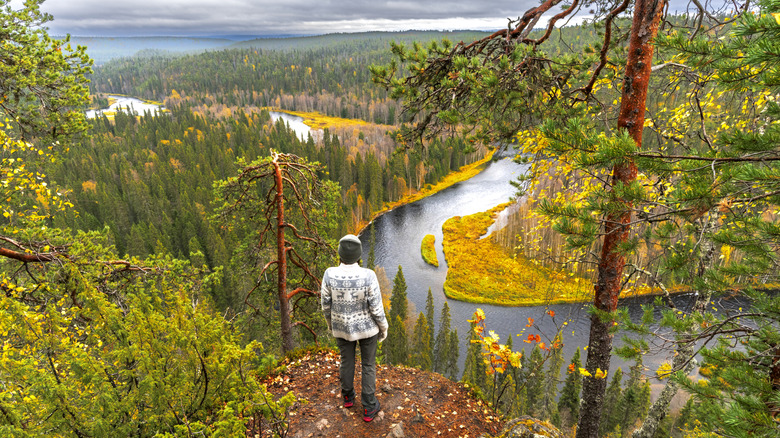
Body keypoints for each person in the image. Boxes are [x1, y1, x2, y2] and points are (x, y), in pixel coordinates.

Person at [321, 234, 388, 422]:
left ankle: (348, 398)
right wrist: (383, 328)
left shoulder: (329, 274)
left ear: (340, 254)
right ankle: (368, 407)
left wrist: (331, 324)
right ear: (359, 255)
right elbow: (376, 308)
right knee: (368, 365)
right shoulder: (368, 275)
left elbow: (325, 305)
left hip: (341, 327)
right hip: (368, 330)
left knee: (346, 361)